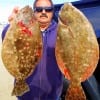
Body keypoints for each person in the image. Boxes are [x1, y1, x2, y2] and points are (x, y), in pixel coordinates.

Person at [1, 0, 100, 100]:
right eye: (39, 9)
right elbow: (8, 41)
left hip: (52, 94)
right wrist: (11, 25)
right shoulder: (24, 30)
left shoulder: (60, 32)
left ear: (52, 12)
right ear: (34, 12)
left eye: (48, 9)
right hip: (26, 95)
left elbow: (80, 45)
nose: (43, 12)